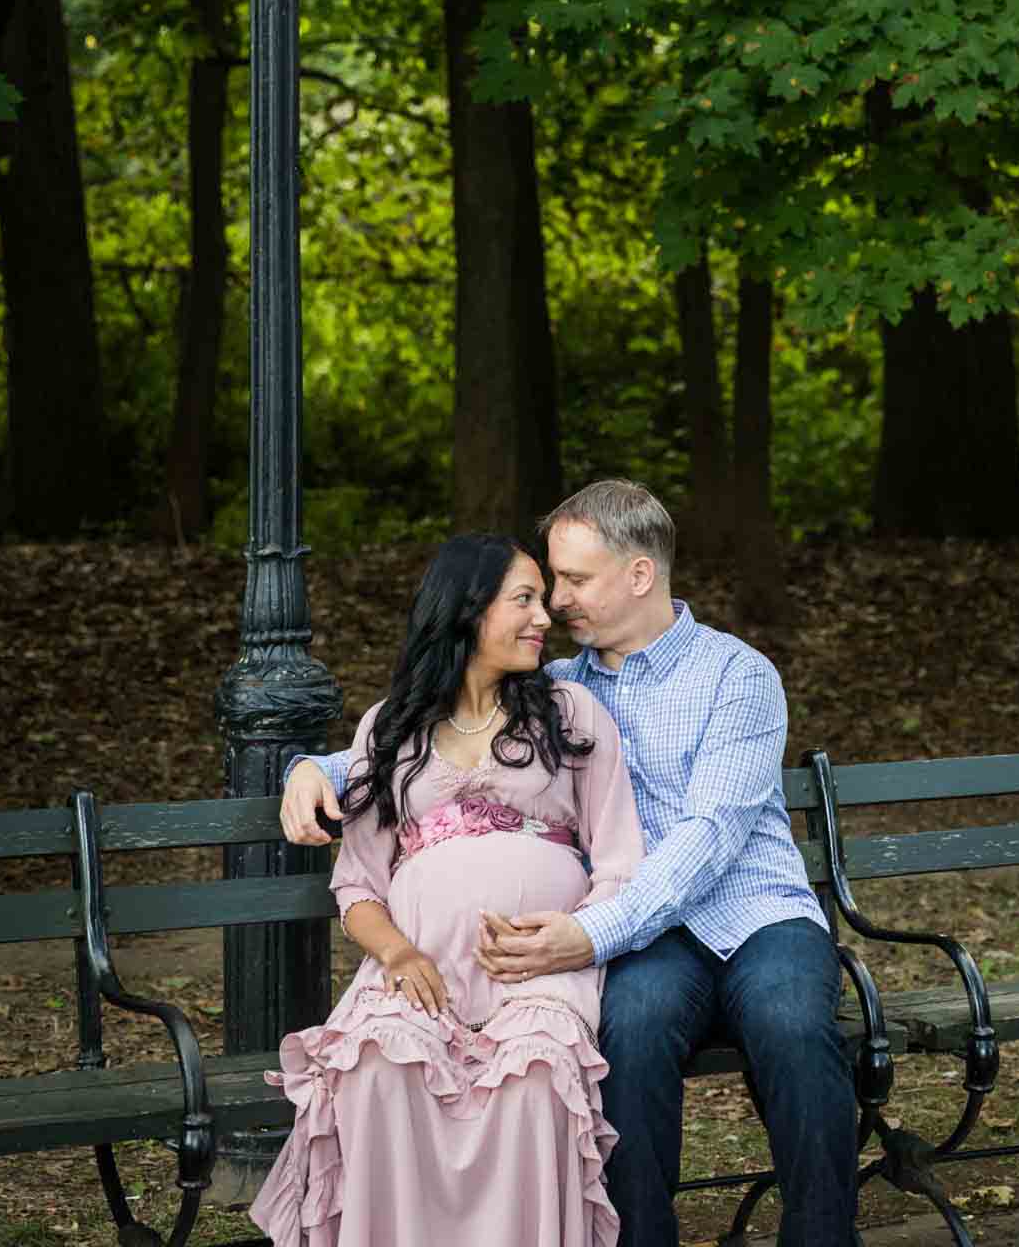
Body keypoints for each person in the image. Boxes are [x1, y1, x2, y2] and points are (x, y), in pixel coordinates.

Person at [283, 482, 860, 1247]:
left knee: (789, 1020)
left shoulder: (736, 675)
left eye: (574, 580)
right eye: (548, 582)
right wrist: (311, 764)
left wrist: (592, 933)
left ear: (639, 575)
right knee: (632, 1027)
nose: (555, 603)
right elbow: (438, 725)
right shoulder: (561, 686)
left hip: (752, 913)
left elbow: (709, 837)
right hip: (648, 939)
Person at [251, 531, 644, 1247]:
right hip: (418, 973)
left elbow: (619, 861)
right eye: (522, 600)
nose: (542, 618)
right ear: (467, 611)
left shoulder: (569, 713)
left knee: (535, 1083)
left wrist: (571, 939)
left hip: (543, 973)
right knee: (376, 1069)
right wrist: (398, 956)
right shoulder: (391, 729)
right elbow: (358, 887)